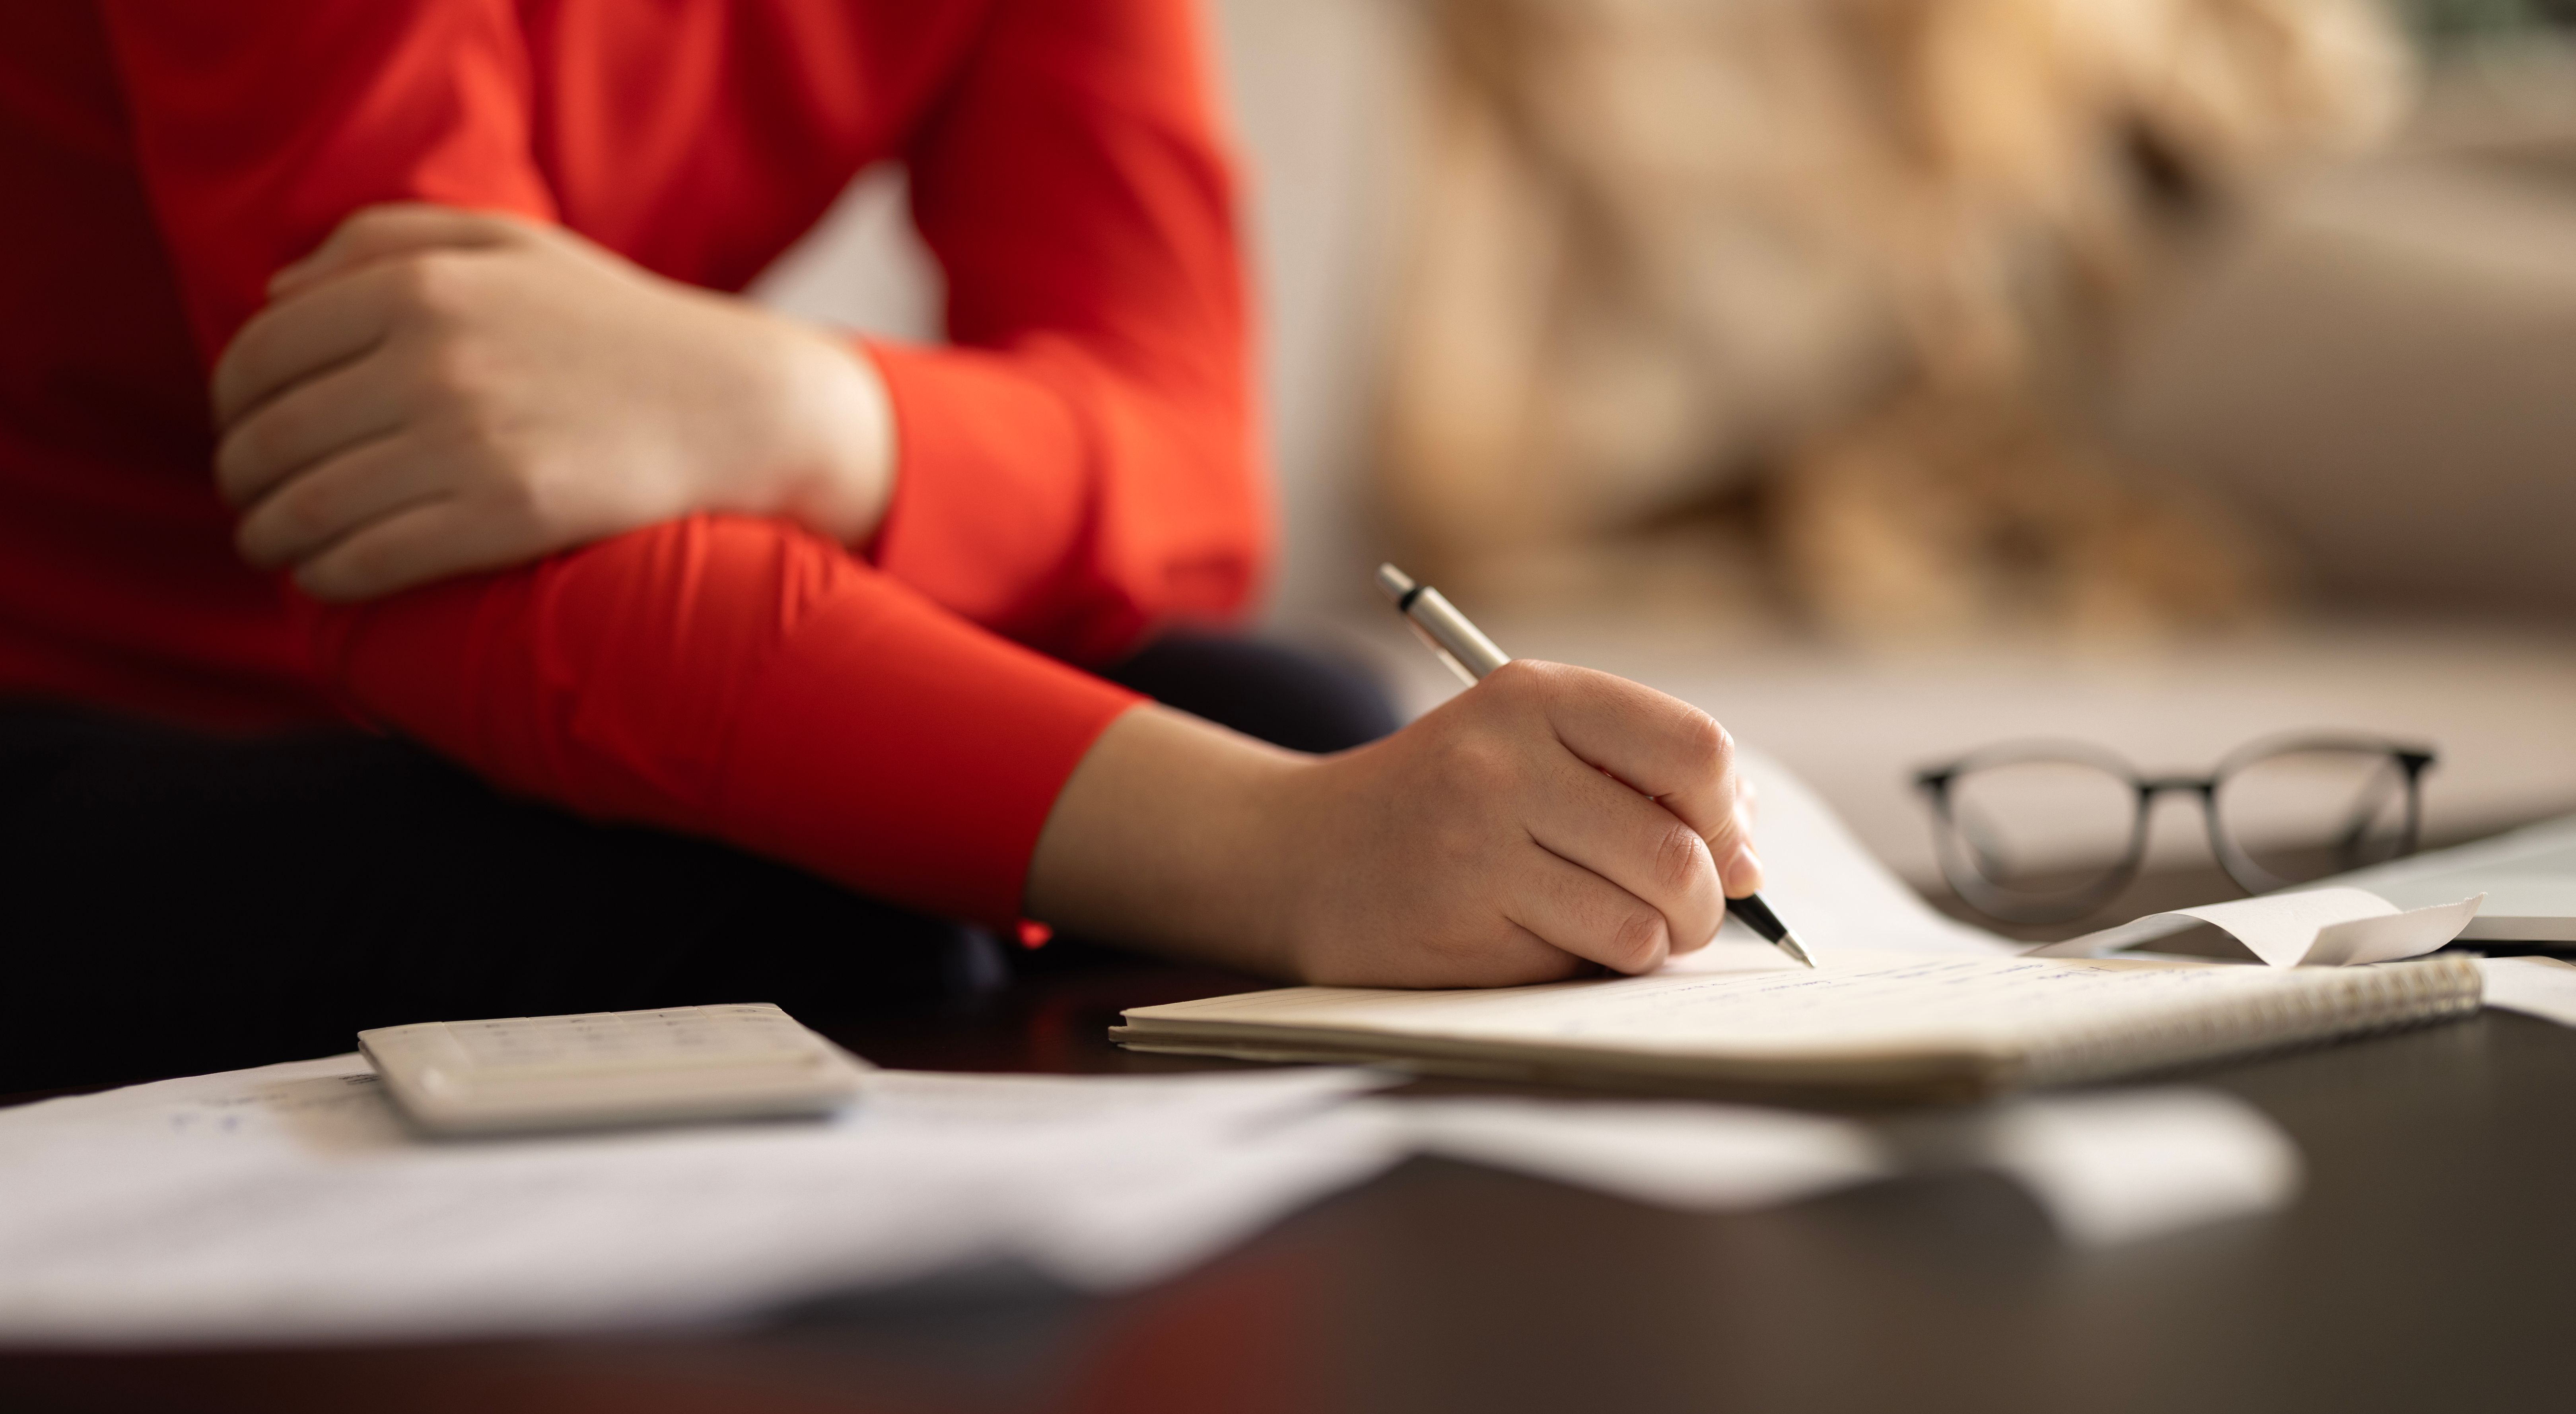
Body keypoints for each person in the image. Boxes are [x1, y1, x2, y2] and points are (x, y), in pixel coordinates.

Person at [0, 0, 1761, 1091]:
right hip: (82, 728)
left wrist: (799, 412)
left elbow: (1187, 470)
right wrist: (1275, 854)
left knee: (1294, 702)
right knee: (858, 911)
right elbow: (428, 548)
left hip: (492, 680)